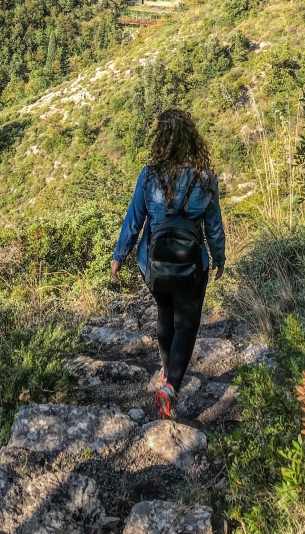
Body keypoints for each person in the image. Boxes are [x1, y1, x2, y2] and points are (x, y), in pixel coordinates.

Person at [111, 109, 226, 420]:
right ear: (192, 139)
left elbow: (134, 219)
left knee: (165, 313)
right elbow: (213, 226)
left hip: (154, 263)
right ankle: (171, 385)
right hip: (192, 265)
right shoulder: (206, 179)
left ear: (160, 139)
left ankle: (166, 373)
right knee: (186, 324)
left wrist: (119, 256)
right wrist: (219, 258)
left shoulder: (149, 176)